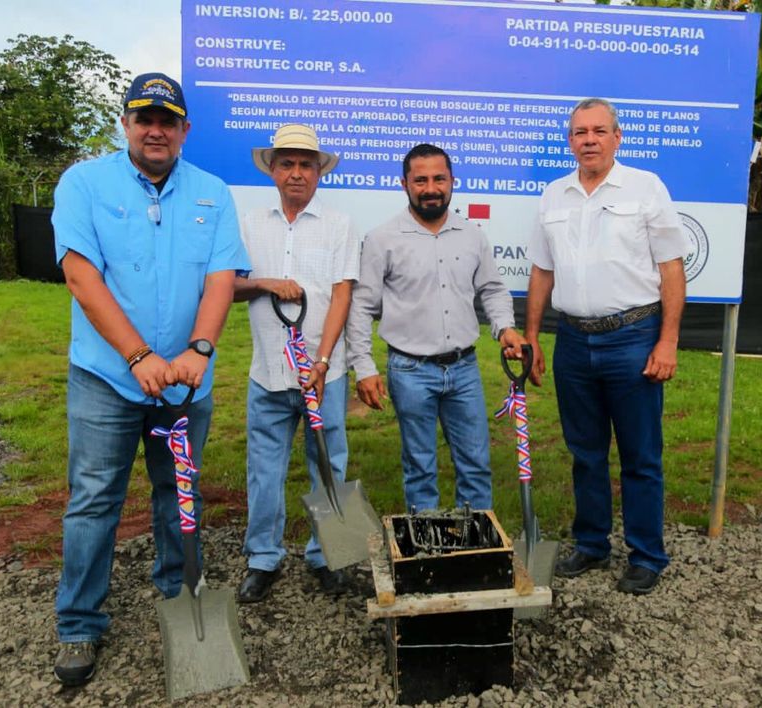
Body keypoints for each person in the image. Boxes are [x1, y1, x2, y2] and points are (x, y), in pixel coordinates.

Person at [50, 72, 248, 685]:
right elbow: (82, 277)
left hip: (186, 382)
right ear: (126, 124)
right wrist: (138, 356)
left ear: (185, 130)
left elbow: (221, 279)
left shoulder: (212, 193)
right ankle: (80, 623)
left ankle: (178, 598)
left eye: (168, 120)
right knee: (93, 502)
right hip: (106, 379)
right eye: (144, 118)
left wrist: (200, 349)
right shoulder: (83, 183)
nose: (155, 129)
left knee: (178, 498)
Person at [526, 97, 690, 595]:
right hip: (573, 342)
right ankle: (592, 544)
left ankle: (646, 554)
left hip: (634, 338)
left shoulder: (646, 188)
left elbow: (671, 269)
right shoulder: (554, 195)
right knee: (585, 452)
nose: (589, 140)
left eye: (599, 131)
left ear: (617, 137)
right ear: (570, 141)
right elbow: (541, 270)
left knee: (641, 456)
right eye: (580, 132)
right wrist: (532, 336)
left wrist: (667, 340)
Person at [347, 143, 525, 513]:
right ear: (404, 184)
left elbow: (492, 289)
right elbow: (361, 306)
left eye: (439, 179)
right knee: (420, 468)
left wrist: (505, 328)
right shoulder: (383, 239)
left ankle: (476, 549)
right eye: (421, 180)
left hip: (464, 370)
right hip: (409, 370)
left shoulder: (472, 235)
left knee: (476, 465)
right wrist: (364, 367)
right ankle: (428, 555)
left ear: (452, 181)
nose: (431, 188)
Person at [234, 124, 360, 602]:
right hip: (268, 371)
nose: (296, 173)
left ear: (319, 172)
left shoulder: (339, 225)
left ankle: (325, 554)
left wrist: (324, 361)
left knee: (328, 464)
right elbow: (229, 285)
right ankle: (262, 558)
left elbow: (343, 293)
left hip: (323, 374)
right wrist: (267, 283)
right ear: (272, 170)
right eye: (286, 163)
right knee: (264, 468)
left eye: (306, 165)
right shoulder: (250, 224)